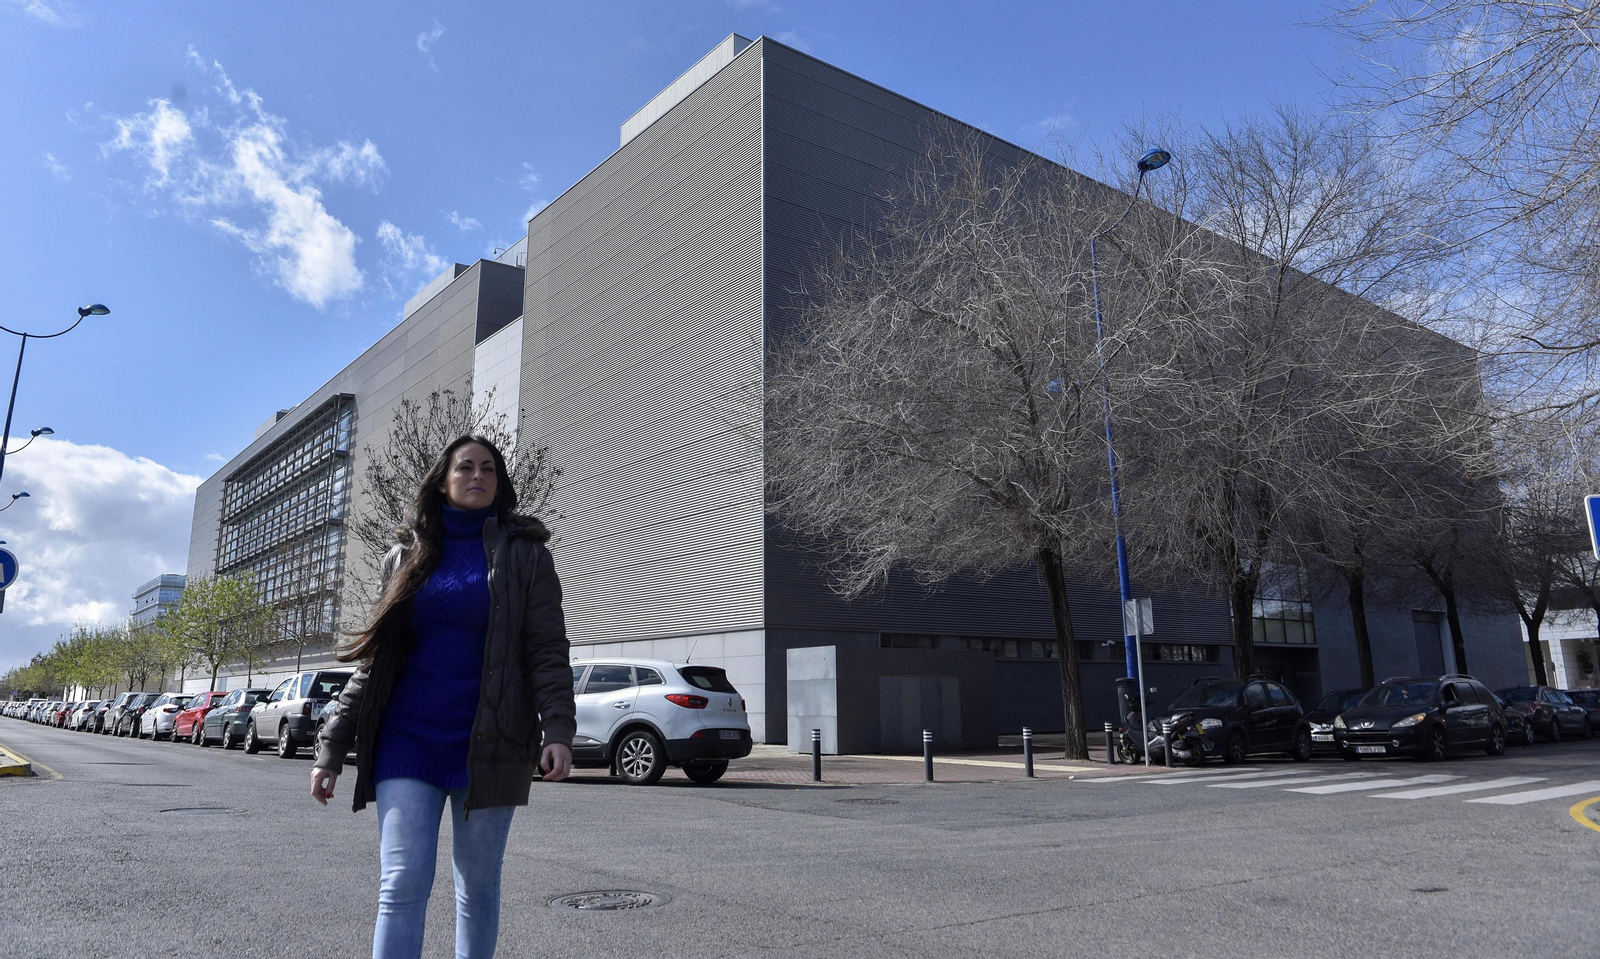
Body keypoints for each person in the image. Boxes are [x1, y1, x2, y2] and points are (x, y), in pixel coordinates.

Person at [311, 434, 576, 959]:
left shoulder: (526, 555)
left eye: (488, 469)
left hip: (491, 741)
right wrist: (332, 749)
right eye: (465, 468)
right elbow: (376, 661)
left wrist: (560, 731)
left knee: (477, 889)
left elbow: (547, 650)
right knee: (402, 884)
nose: (478, 476)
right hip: (406, 739)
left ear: (499, 484)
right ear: (443, 481)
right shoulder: (404, 557)